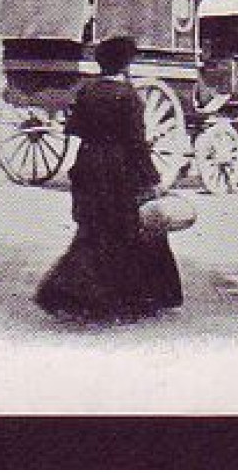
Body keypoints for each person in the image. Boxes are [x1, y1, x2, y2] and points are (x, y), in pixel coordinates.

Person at [36, 36, 183, 320]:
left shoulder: (86, 91)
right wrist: (152, 179)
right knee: (127, 230)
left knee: (93, 229)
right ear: (125, 64)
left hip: (89, 165)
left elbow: (73, 129)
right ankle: (132, 297)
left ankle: (73, 293)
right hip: (119, 168)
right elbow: (137, 144)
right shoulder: (128, 96)